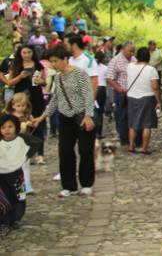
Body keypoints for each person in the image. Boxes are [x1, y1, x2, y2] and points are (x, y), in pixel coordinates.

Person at [33, 44, 96, 197]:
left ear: (65, 59)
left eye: (55, 61)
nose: (53, 65)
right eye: (51, 62)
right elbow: (56, 98)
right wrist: (42, 116)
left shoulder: (79, 73)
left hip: (82, 115)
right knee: (65, 150)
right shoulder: (58, 77)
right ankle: (69, 186)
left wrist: (88, 115)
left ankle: (87, 184)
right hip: (65, 117)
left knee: (85, 151)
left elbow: (88, 95)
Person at [0, 114, 36, 235]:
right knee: (4, 198)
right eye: (3, 127)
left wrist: (27, 156)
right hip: (2, 175)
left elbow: (37, 142)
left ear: (16, 127)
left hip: (16, 174)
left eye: (10, 127)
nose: (7, 130)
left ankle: (15, 219)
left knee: (19, 197)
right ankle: (4, 222)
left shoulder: (21, 139)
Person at [126, 47, 161, 154]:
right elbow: (155, 87)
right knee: (147, 124)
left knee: (133, 124)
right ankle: (144, 148)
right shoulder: (151, 70)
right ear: (148, 57)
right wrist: (158, 101)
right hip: (147, 97)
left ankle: (131, 146)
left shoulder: (130, 66)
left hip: (131, 97)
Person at [106, 41, 135, 148]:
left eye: (133, 51)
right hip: (121, 93)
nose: (131, 53)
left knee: (132, 116)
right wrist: (119, 89)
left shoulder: (133, 59)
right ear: (123, 49)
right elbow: (109, 77)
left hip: (132, 93)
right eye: (130, 51)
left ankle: (133, 139)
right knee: (122, 116)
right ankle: (124, 140)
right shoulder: (116, 61)